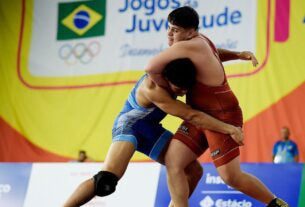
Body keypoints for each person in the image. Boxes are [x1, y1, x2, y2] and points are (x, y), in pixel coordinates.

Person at [146, 6, 289, 207]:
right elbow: (215, 54)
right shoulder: (201, 41)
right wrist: (238, 54)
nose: (169, 33)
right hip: (199, 114)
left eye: (175, 30)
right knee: (173, 161)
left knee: (231, 178)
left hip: (222, 116)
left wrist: (167, 89)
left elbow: (150, 68)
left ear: (191, 31)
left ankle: (276, 204)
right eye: (169, 28)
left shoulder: (187, 46)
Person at [63, 58, 243, 207]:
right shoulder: (152, 89)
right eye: (178, 89)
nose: (182, 93)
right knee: (105, 182)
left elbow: (209, 58)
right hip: (129, 126)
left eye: (185, 89)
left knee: (193, 171)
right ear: (167, 79)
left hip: (150, 129)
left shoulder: (176, 67)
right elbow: (192, 115)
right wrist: (229, 128)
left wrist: (237, 54)